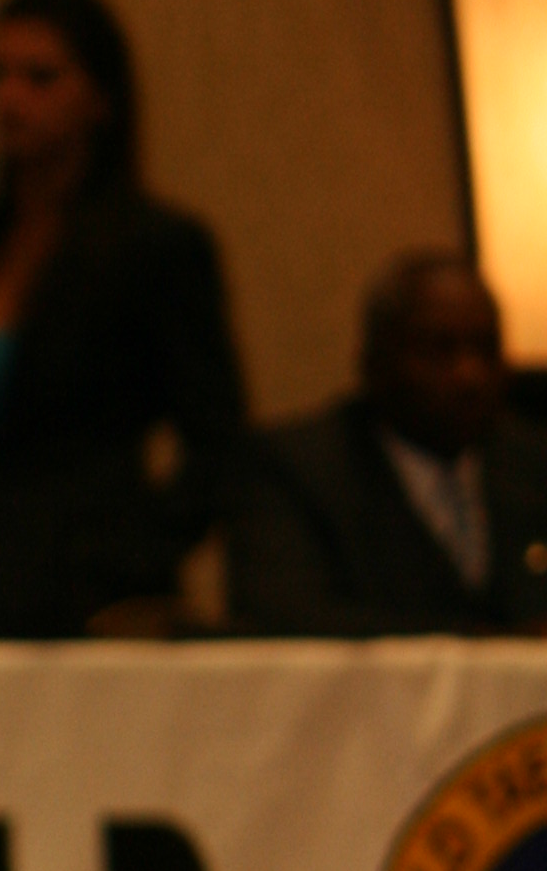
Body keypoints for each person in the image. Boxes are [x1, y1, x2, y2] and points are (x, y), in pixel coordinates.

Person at [0, 0, 247, 634]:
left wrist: (137, 553)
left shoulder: (156, 245)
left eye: (40, 78)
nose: (8, 98)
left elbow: (219, 441)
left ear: (101, 99)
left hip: (97, 584)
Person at [227, 252, 547, 636]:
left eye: (485, 348)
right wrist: (484, 646)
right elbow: (286, 619)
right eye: (439, 350)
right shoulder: (300, 469)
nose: (469, 375)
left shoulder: (531, 461)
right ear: (374, 361)